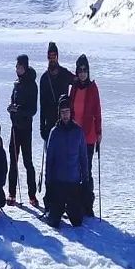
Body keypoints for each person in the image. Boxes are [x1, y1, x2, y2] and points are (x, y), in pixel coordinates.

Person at [39, 42, 74, 210]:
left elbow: (78, 83)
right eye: (49, 55)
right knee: (51, 164)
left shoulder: (65, 74)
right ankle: (50, 198)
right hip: (50, 127)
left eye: (54, 55)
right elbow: (41, 103)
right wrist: (42, 127)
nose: (52, 58)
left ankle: (66, 198)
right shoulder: (44, 78)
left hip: (65, 124)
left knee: (64, 161)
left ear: (57, 56)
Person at [45, 95, 89, 228]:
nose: (65, 115)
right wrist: (48, 181)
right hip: (58, 182)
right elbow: (49, 159)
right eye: (63, 112)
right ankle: (54, 209)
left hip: (73, 182)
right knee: (54, 222)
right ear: (59, 114)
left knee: (77, 222)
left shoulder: (78, 132)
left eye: (67, 112)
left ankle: (72, 208)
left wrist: (85, 180)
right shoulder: (55, 132)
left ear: (71, 112)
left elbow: (83, 157)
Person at [69, 54, 102, 217]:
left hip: (88, 136)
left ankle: (88, 204)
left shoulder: (92, 88)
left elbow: (97, 111)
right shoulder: (74, 87)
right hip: (75, 135)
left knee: (86, 170)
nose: (82, 73)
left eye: (85, 70)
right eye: (80, 70)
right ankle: (77, 202)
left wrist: (99, 132)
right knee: (75, 170)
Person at [7, 54, 38, 207]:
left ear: (25, 67)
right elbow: (13, 102)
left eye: (20, 67)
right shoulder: (16, 84)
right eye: (16, 67)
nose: (17, 69)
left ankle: (32, 195)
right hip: (15, 128)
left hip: (26, 129)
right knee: (13, 161)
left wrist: (17, 110)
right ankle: (11, 193)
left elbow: (32, 110)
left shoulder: (32, 85)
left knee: (28, 162)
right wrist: (10, 108)